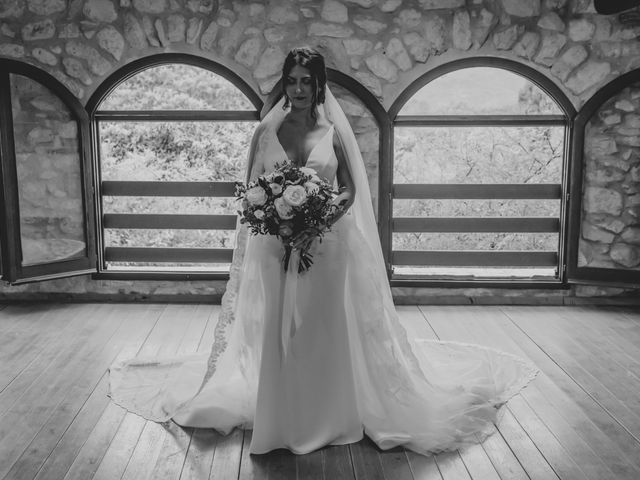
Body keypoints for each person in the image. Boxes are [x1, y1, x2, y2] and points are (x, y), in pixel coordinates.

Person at [109, 47, 538, 456]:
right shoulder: (266, 132)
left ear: (319, 86)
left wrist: (318, 219)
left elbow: (350, 190)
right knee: (281, 330)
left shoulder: (331, 133)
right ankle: (281, 414)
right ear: (285, 84)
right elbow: (251, 194)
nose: (297, 89)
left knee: (322, 327)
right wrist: (274, 217)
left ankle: (330, 415)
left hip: (327, 246)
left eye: (306, 82)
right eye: (291, 81)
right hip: (274, 248)